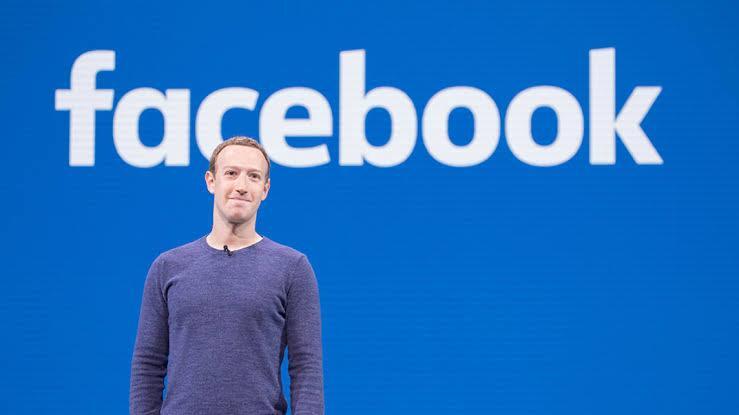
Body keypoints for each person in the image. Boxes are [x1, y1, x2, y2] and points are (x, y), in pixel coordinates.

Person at [129, 136, 324, 414]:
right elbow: (148, 363)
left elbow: (306, 367)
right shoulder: (167, 267)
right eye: (231, 173)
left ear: (265, 189)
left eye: (253, 176)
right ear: (211, 181)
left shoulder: (293, 268)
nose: (241, 186)